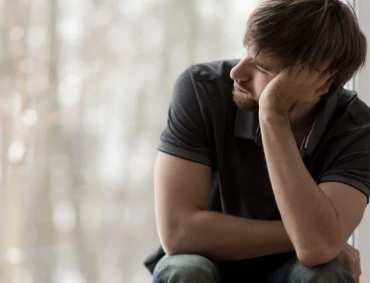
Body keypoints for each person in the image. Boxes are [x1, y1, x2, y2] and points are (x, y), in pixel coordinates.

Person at [144, 0, 369, 282]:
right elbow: (178, 234)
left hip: (291, 270)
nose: (236, 73)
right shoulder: (200, 89)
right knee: (185, 269)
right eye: (246, 52)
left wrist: (272, 115)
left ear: (320, 84)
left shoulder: (357, 128)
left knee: (324, 272)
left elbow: (315, 250)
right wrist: (311, 234)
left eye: (261, 67)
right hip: (209, 263)